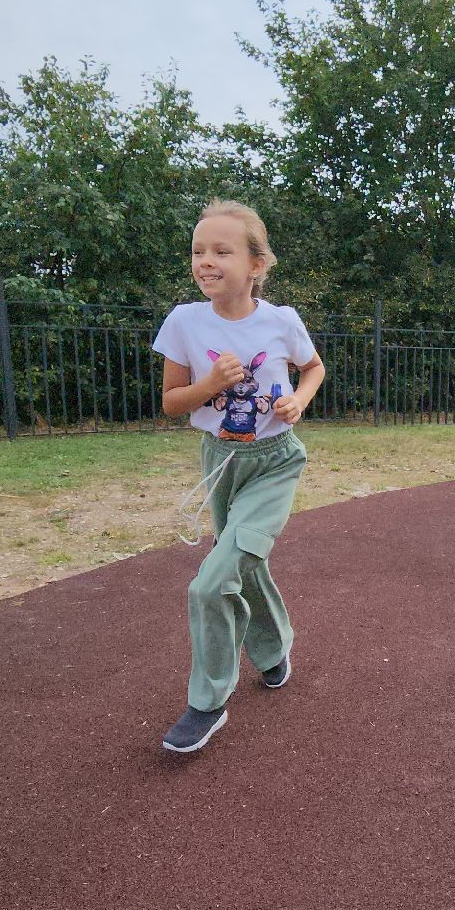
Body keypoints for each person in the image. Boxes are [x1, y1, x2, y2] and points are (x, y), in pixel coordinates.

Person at [151, 200, 325, 753]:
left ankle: (206, 703)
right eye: (198, 251)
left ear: (256, 264)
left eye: (222, 251)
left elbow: (313, 367)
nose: (206, 260)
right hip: (221, 461)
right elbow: (173, 403)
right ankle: (273, 652)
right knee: (244, 567)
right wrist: (210, 385)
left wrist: (298, 399)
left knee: (211, 580)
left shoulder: (280, 321)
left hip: (275, 462)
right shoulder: (183, 321)